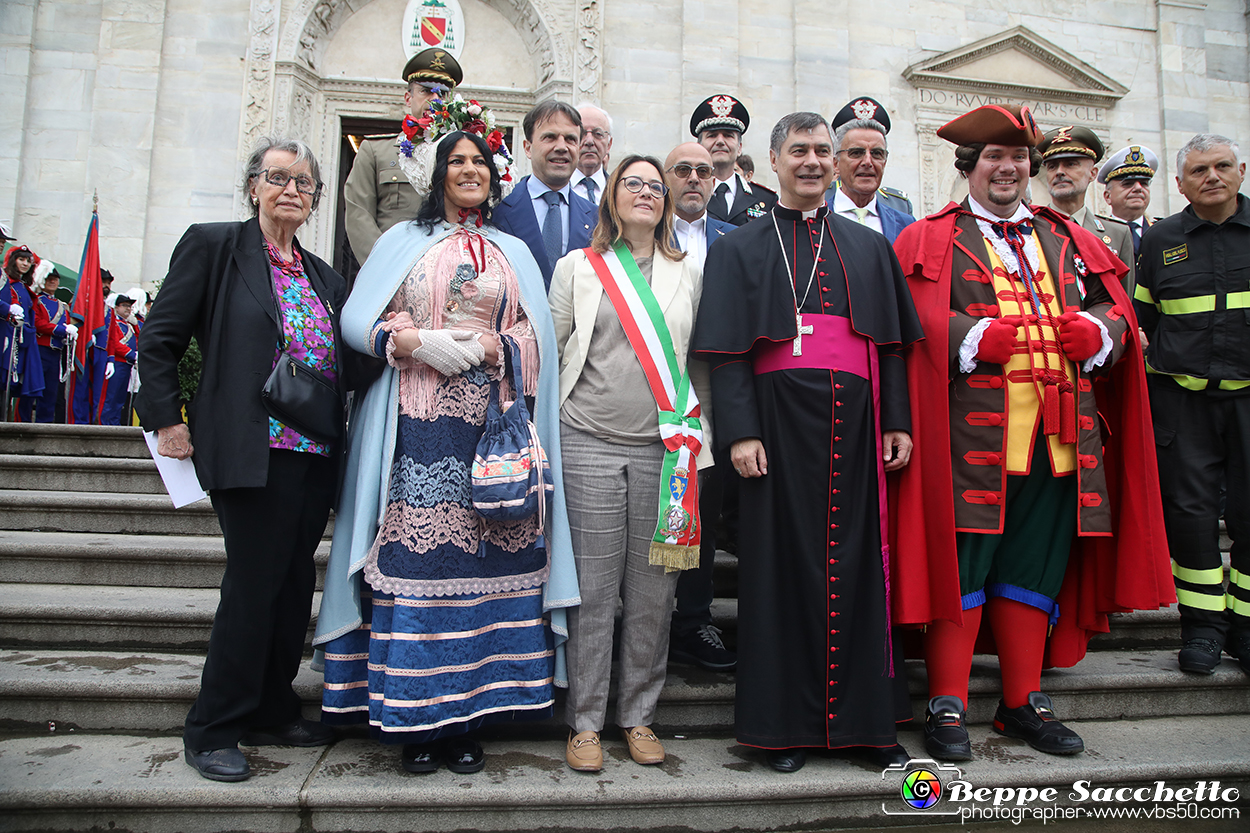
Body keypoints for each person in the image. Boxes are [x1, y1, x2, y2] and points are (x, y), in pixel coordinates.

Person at [891, 105, 1171, 763]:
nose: (1009, 168)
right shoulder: (930, 237)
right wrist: (970, 335)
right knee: (962, 569)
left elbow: (1117, 305)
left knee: (1033, 569)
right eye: (994, 157)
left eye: (1019, 158)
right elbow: (907, 319)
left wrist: (1104, 330)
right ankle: (948, 702)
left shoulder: (1068, 237)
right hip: (968, 445)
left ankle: (1022, 699)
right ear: (970, 167)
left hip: (1060, 443)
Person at [315, 131, 578, 775]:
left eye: (479, 163)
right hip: (417, 428)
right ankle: (416, 722)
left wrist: (494, 349)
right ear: (439, 175)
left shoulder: (515, 249)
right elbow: (357, 319)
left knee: (493, 569)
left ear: (495, 177)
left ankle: (470, 718)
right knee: (418, 567)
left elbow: (533, 332)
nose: (468, 171)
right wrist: (414, 342)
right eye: (456, 162)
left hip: (493, 433)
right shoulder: (401, 242)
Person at [693, 112, 923, 773]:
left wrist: (896, 420)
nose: (814, 161)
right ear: (773, 161)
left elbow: (892, 347)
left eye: (824, 150)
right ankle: (782, 727)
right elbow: (728, 354)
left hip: (856, 428)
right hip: (773, 427)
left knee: (860, 570)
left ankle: (868, 726)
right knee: (776, 574)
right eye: (801, 150)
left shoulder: (869, 246)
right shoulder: (739, 247)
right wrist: (739, 432)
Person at [137, 135, 346, 783]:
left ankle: (272, 704)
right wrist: (166, 419)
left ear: (314, 200)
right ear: (253, 185)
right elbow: (160, 337)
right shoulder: (214, 246)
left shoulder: (324, 276)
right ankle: (214, 724)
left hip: (314, 453)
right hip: (251, 447)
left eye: (304, 183)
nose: (292, 190)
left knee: (290, 587)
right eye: (278, 177)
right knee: (254, 585)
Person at [551, 154, 712, 773]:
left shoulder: (689, 271)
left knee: (653, 591)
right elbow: (557, 350)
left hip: (665, 451)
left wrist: (700, 438)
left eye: (654, 185)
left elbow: (698, 361)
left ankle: (638, 714)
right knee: (593, 591)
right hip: (587, 439)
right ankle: (586, 721)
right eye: (632, 184)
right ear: (611, 196)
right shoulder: (578, 267)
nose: (644, 193)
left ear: (666, 198)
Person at [1134, 134, 1250, 675]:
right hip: (1184, 404)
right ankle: (1202, 629)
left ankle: (1245, 629)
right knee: (1191, 518)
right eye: (1199, 170)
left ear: (1240, 172)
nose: (1213, 177)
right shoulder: (1161, 242)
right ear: (1179, 184)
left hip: (1249, 400)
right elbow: (1145, 320)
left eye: (1222, 166)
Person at [661, 142, 736, 671]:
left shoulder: (735, 240)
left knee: (704, 511)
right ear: (666, 178)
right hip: (655, 388)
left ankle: (693, 619)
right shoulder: (641, 233)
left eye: (703, 171)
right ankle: (645, 622)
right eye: (683, 170)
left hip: (718, 390)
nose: (693, 179)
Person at [344, 48, 465, 262]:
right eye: (426, 91)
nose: (435, 98)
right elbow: (358, 214)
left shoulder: (465, 156)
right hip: (392, 268)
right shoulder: (375, 151)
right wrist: (384, 266)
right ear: (408, 98)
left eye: (443, 93)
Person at [493, 101, 598, 289]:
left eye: (570, 139)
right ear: (527, 147)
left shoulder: (597, 217)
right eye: (549, 137)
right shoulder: (497, 210)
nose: (561, 147)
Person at [1038, 126, 1135, 292]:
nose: (1060, 172)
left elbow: (1124, 301)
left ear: (1093, 173)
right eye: (1052, 166)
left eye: (1071, 164)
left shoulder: (1118, 234)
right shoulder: (1030, 228)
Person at [826, 111, 915, 243]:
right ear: (835, 164)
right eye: (856, 153)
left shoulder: (906, 225)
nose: (868, 162)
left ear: (884, 162)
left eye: (877, 153)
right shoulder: (814, 218)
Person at [691, 95, 777, 226]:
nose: (720, 141)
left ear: (739, 147)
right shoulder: (685, 193)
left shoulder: (766, 199)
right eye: (712, 135)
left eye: (728, 135)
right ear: (700, 146)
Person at [2, 244, 44, 421]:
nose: (25, 264)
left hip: (24, 340)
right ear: (13, 260)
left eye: (28, 261)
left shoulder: (23, 287)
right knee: (5, 383)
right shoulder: (6, 282)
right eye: (21, 259)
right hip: (8, 337)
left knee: (17, 385)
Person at [31, 263, 76, 423]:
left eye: (55, 279)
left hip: (56, 352)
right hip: (39, 350)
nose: (53, 282)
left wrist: (68, 335)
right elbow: (37, 322)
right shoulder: (37, 301)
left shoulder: (62, 306)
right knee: (32, 390)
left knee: (51, 393)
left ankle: (45, 426)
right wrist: (60, 330)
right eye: (49, 279)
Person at [1099, 145, 1160, 255]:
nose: (1138, 188)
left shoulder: (1163, 232)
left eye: (1144, 183)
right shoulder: (1094, 235)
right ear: (1107, 196)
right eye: (1127, 184)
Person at [100, 295, 138, 425]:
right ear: (116, 307)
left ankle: (115, 424)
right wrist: (132, 354)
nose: (128, 309)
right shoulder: (114, 323)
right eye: (125, 305)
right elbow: (114, 344)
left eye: (129, 306)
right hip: (117, 363)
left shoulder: (129, 325)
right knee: (111, 397)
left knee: (120, 399)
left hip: (126, 365)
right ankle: (105, 424)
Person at [571, 103, 612, 204]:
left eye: (598, 134)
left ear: (609, 144)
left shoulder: (619, 191)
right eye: (582, 134)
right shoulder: (554, 189)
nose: (589, 141)